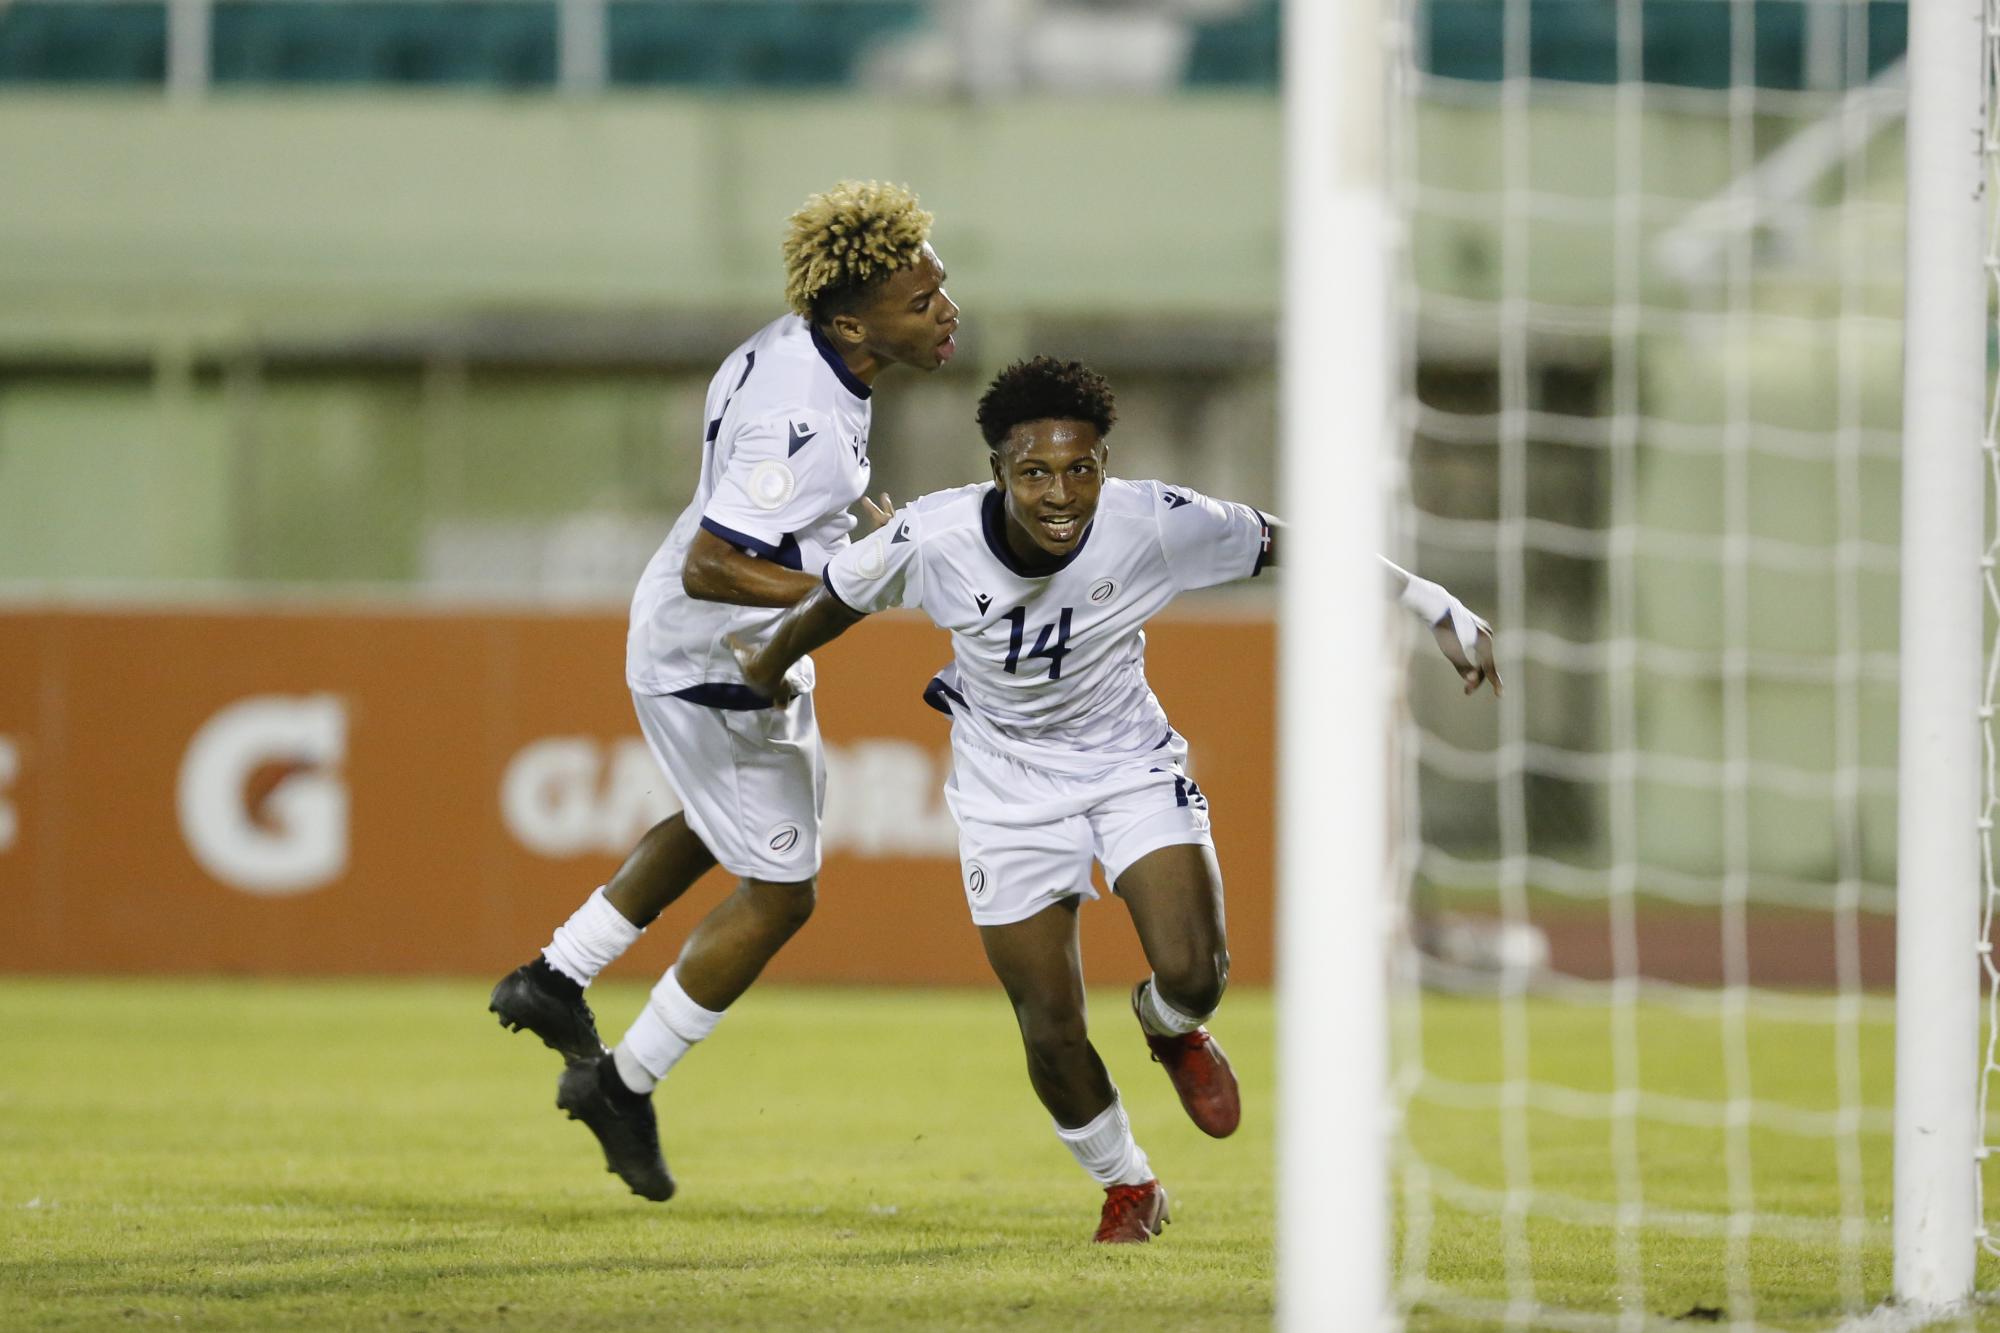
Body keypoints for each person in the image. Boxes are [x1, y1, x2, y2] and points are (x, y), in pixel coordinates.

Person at [734, 356, 1498, 1243]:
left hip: (1127, 759)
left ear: (1104, 465)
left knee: (1195, 974)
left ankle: (1169, 1026)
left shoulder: (1154, 521)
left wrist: (1430, 600)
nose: (1061, 494)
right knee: (1049, 1025)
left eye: (1081, 469)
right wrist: (759, 674)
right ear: (998, 473)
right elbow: (831, 602)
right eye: (1035, 473)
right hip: (1004, 783)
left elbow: (1300, 542)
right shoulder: (929, 538)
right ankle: (1129, 1182)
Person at [487, 180, 960, 1202]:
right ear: (851, 318)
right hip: (713, 652)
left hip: (736, 646)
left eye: (941, 286)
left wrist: (841, 558)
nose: (944, 309)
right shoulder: (802, 409)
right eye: (920, 299)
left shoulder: (806, 355)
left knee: (719, 822)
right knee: (784, 891)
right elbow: (715, 561)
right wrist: (856, 583)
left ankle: (557, 974)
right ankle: (621, 1081)